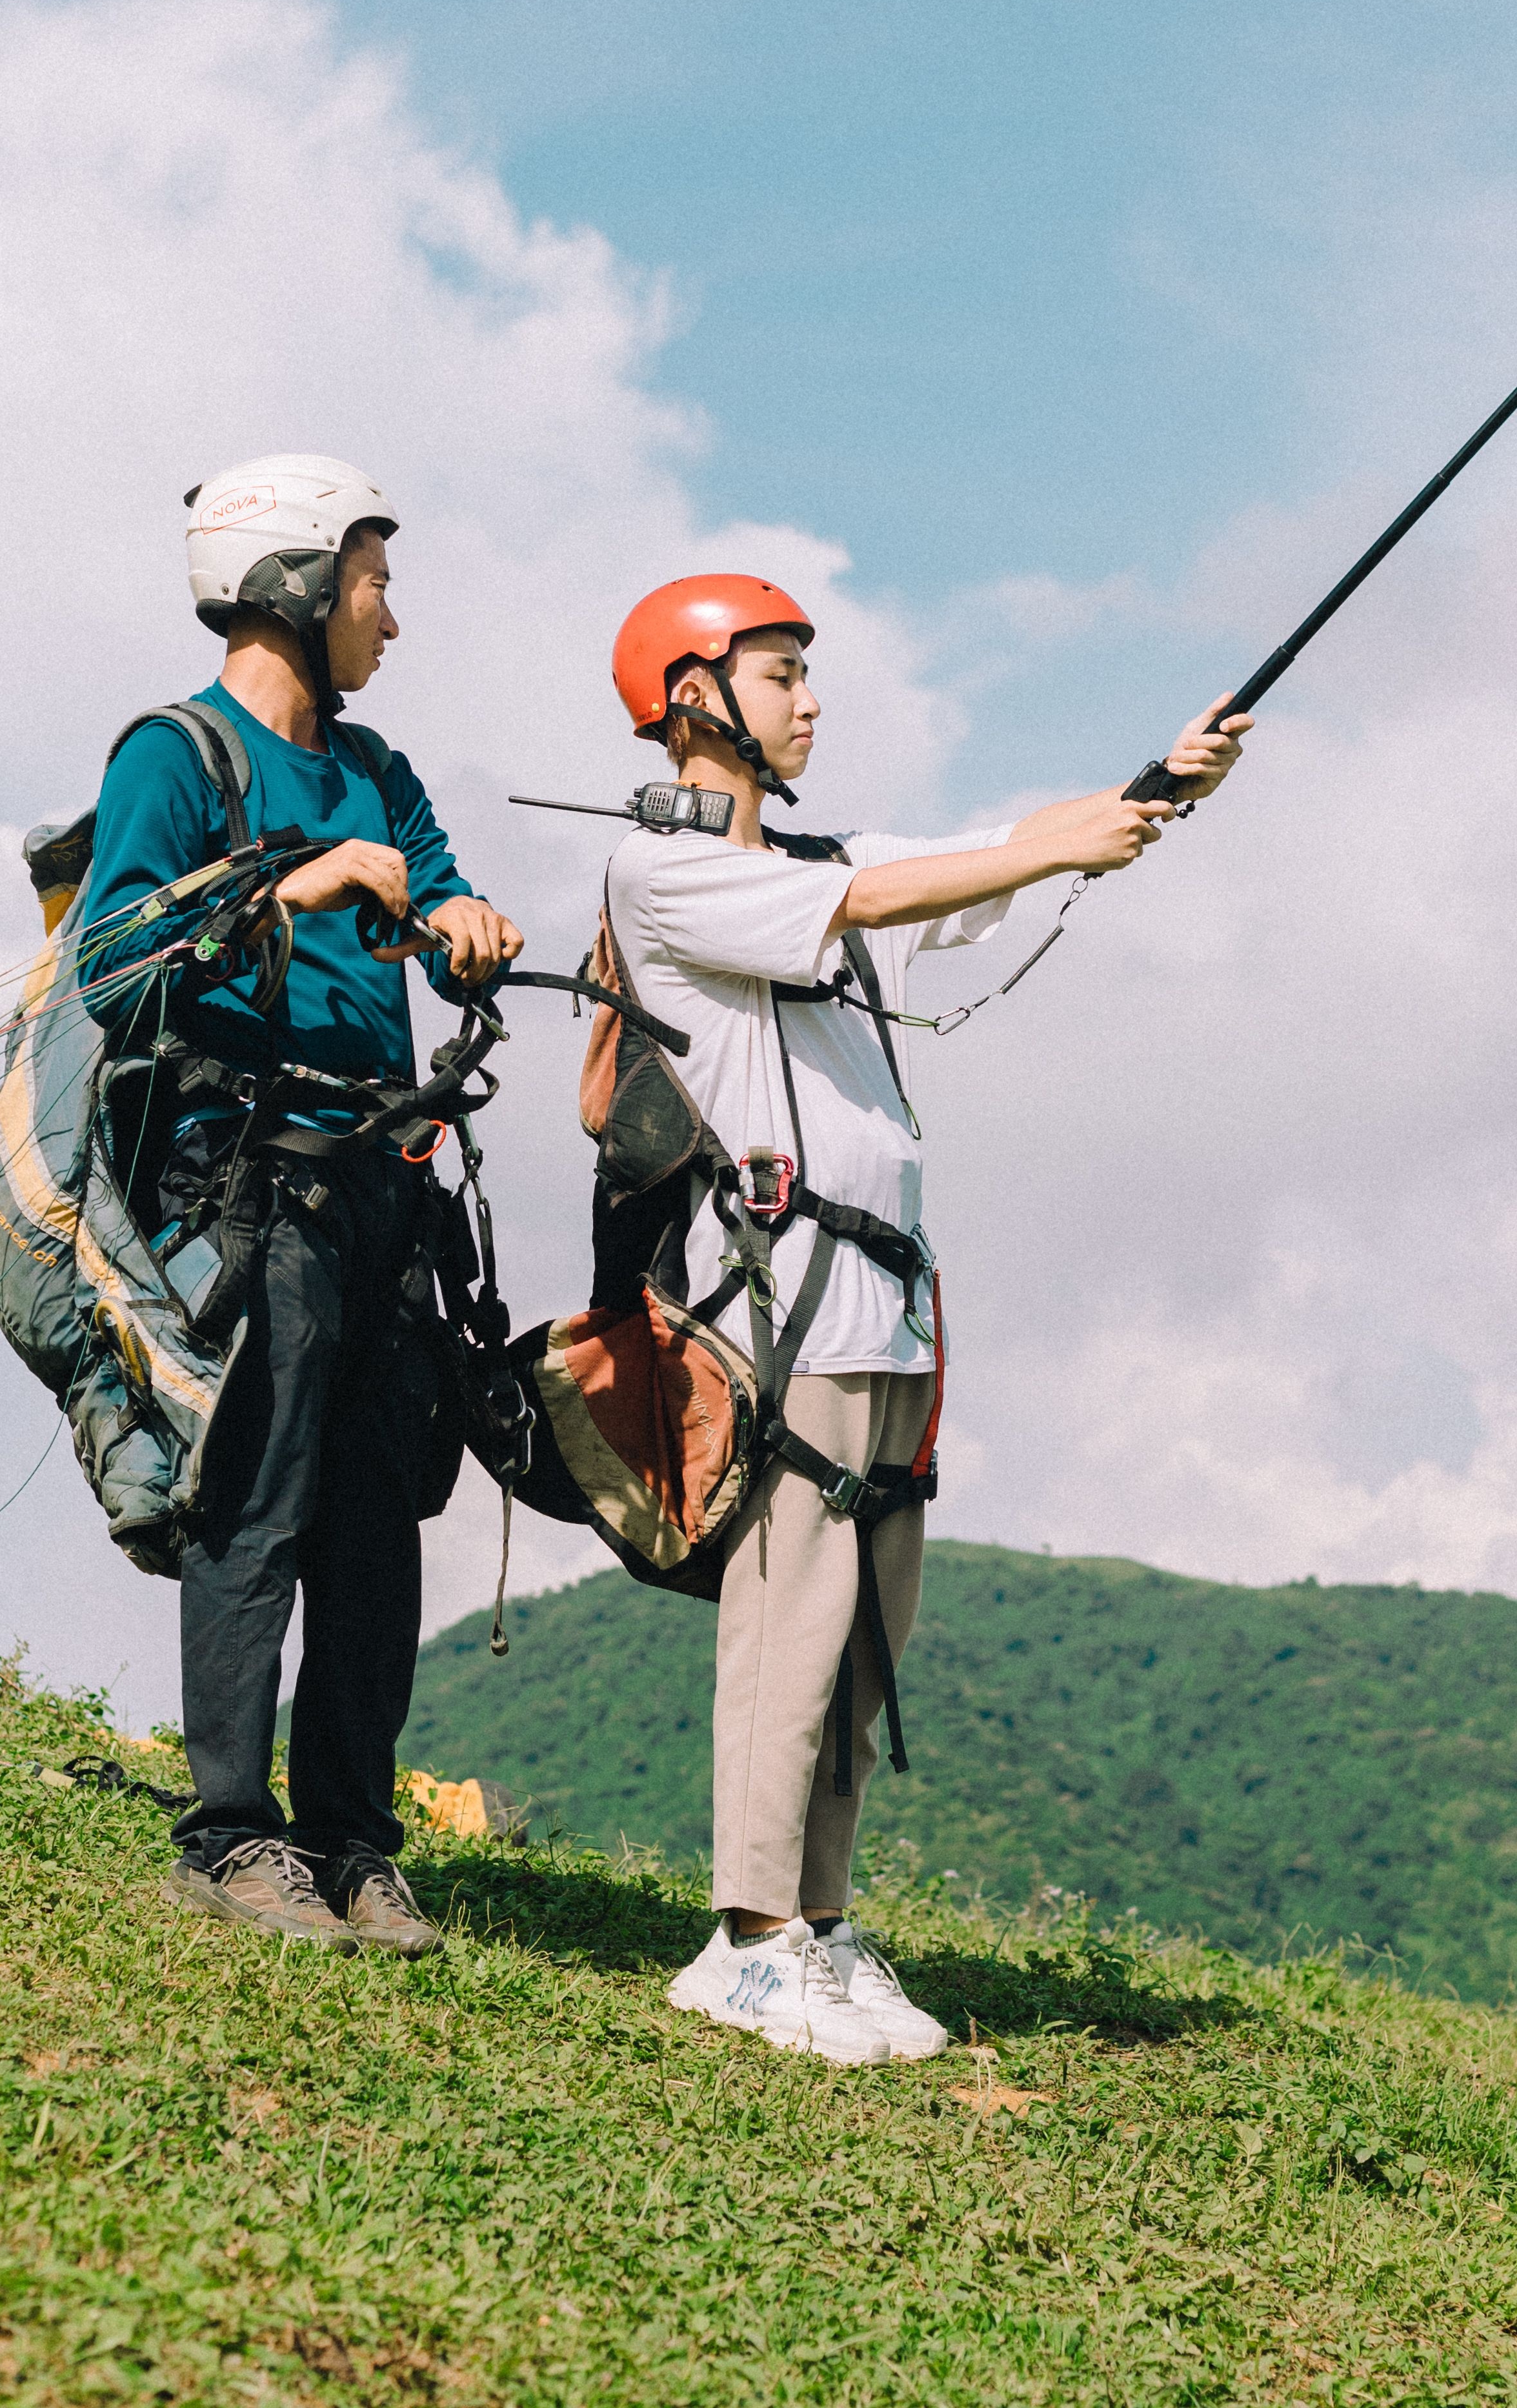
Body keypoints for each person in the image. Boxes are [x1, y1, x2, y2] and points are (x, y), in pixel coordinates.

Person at [598, 574, 1245, 2063]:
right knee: (790, 1609)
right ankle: (746, 1937)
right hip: (771, 1294)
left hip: (879, 1296)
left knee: (867, 1623)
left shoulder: (825, 852)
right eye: (779, 673)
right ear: (698, 699)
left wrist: (1154, 785)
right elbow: (880, 897)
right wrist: (1065, 837)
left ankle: (821, 1924)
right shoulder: (666, 873)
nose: (810, 698)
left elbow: (990, 855)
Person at [80, 454, 523, 1954]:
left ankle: (350, 1837)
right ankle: (228, 1832)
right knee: (255, 1498)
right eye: (374, 578)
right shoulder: (174, 753)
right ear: (293, 580)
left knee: (374, 1519)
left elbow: (441, 893)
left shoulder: (377, 765)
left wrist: (459, 925)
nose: (388, 615)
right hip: (249, 1180)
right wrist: (292, 893)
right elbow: (115, 963)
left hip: (385, 1180)